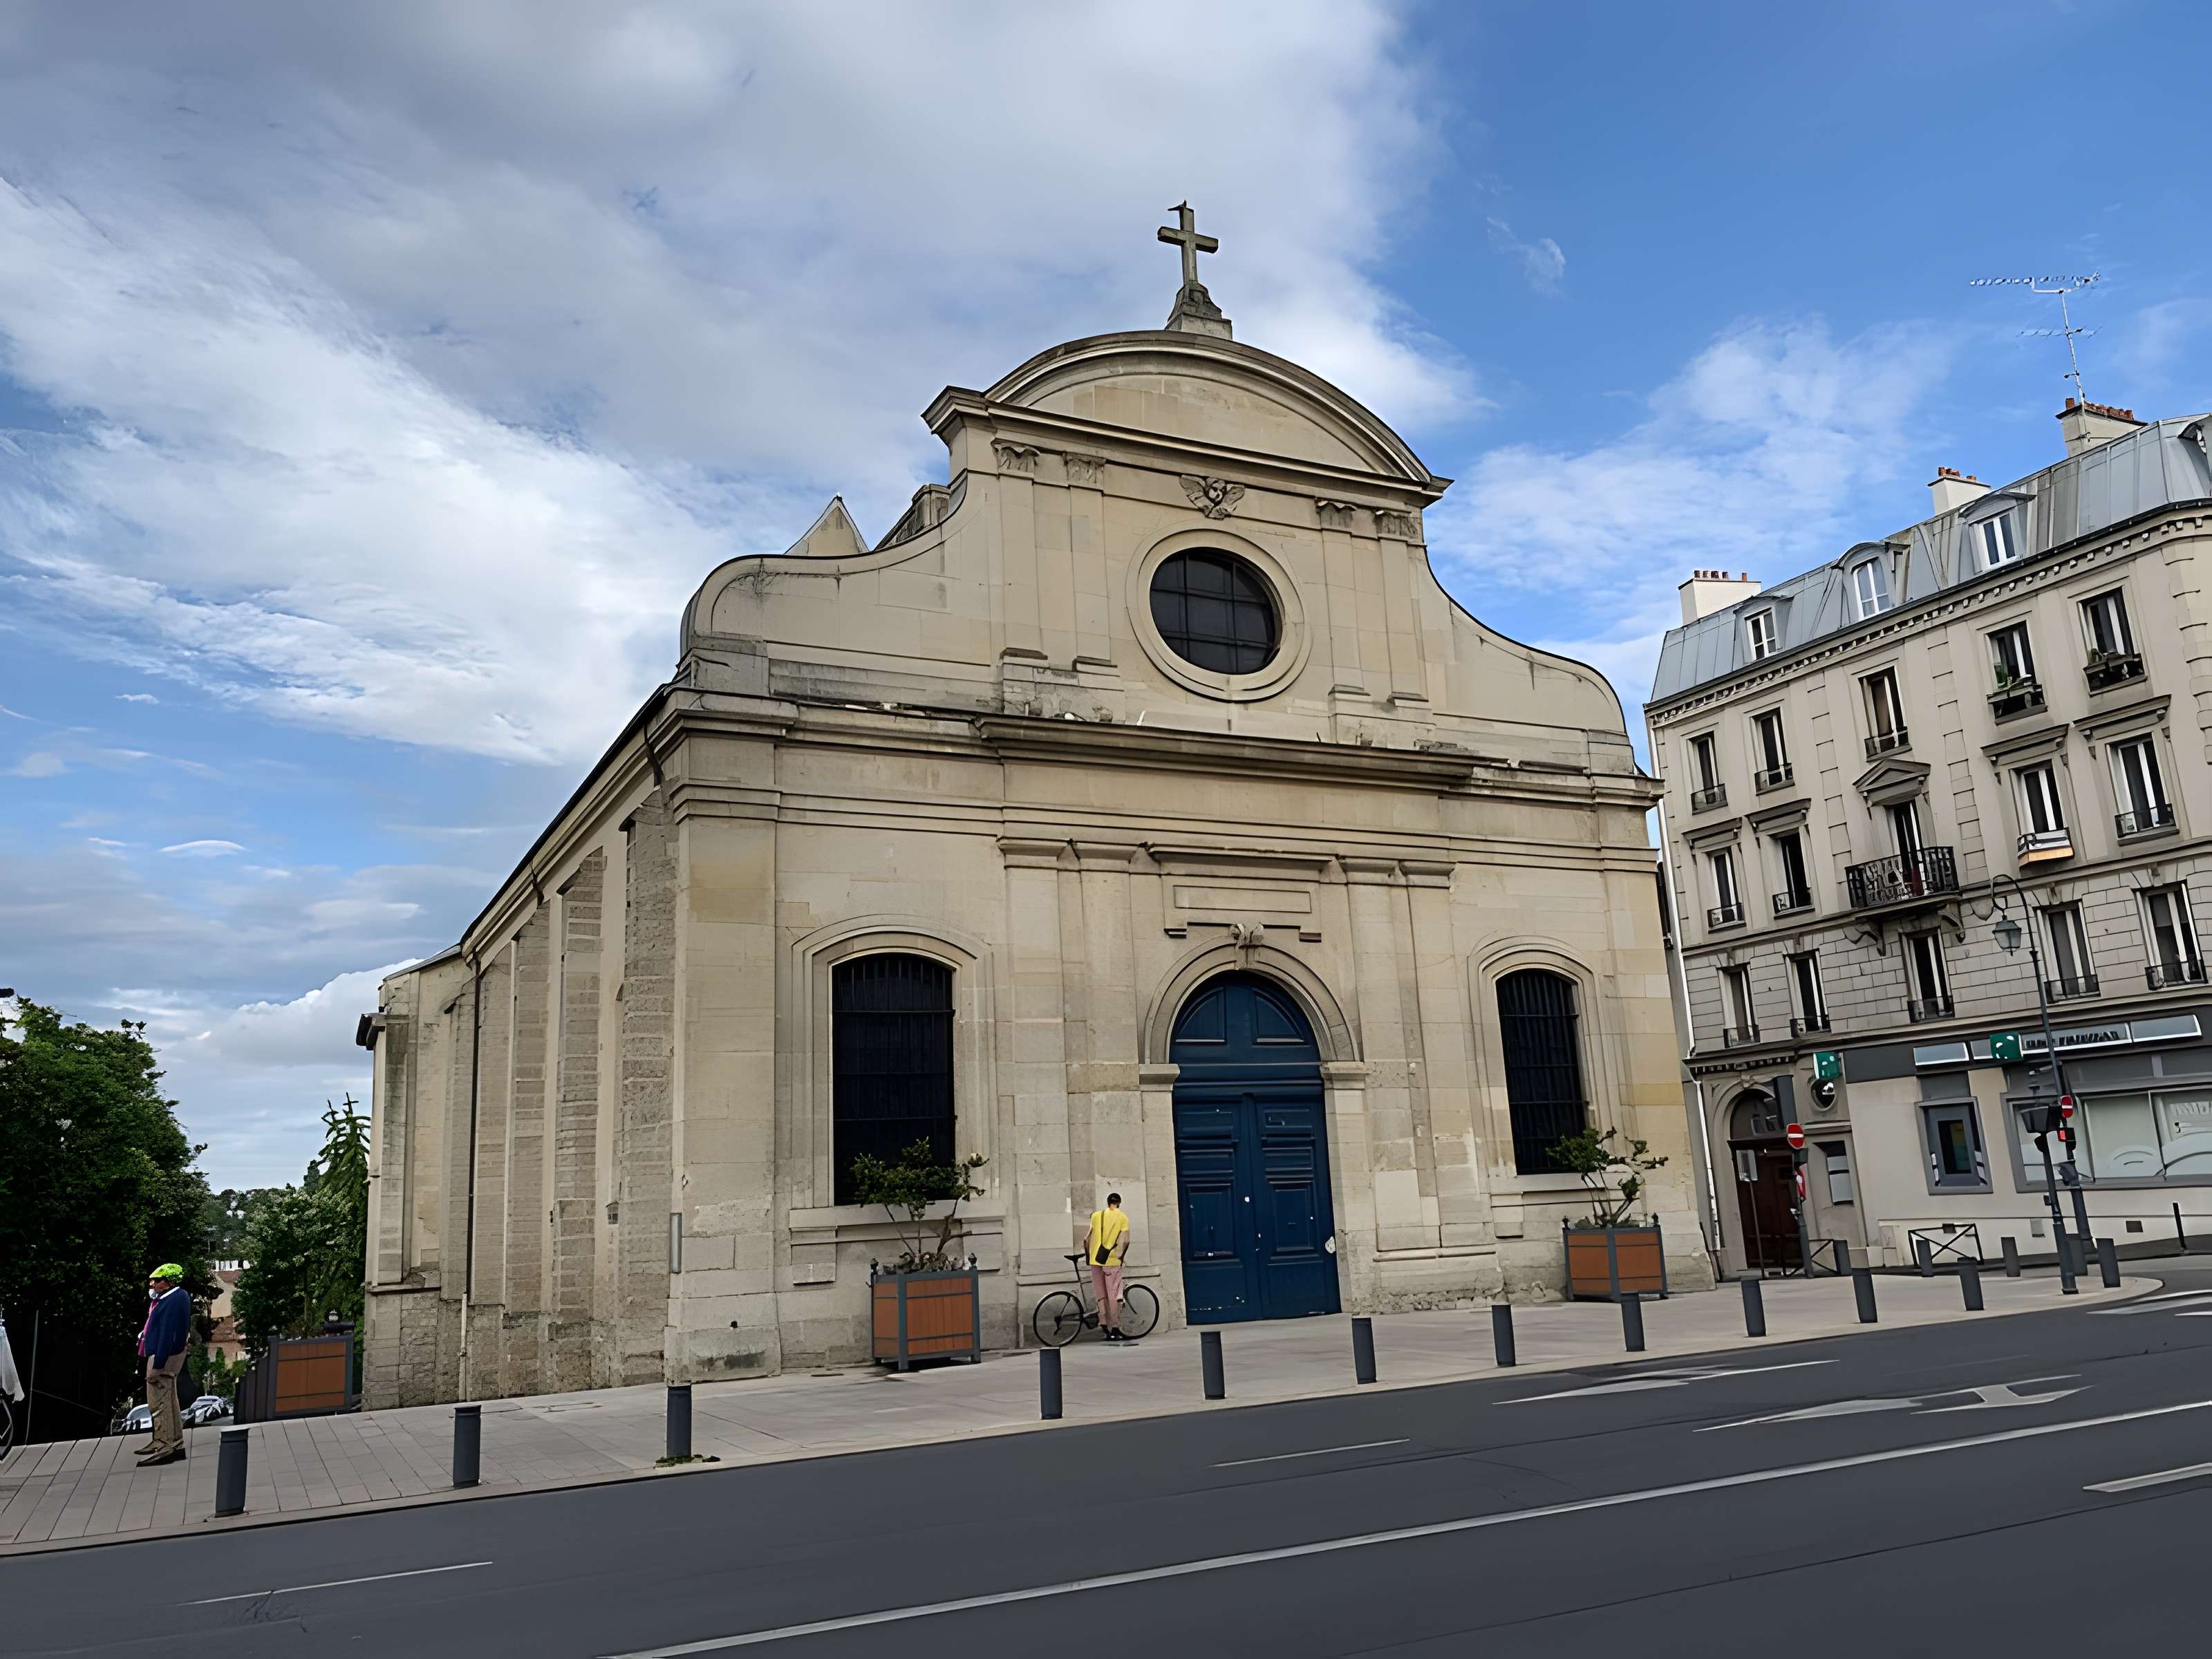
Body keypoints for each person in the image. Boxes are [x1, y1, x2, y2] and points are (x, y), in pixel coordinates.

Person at [138, 1264, 191, 1465]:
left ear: (169, 1282)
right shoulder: (176, 1297)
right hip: (167, 1354)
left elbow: (167, 1333)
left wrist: (158, 1364)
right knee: (169, 1399)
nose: (153, 1285)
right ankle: (174, 1443)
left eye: (157, 1281)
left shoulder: (172, 1300)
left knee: (159, 1403)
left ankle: (164, 1446)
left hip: (163, 1357)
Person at [1082, 1194, 1132, 1341]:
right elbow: (1125, 1241)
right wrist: (1121, 1258)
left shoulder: (1096, 1216)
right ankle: (1115, 1328)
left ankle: (1103, 1324)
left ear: (1108, 1202)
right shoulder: (1122, 1217)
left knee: (1101, 1293)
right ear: (1119, 1203)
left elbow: (1086, 1239)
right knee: (1113, 1295)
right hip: (1111, 1261)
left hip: (1095, 1260)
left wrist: (1088, 1257)